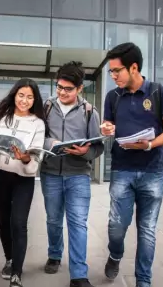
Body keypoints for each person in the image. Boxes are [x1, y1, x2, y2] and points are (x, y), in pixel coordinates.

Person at [100, 42, 163, 287]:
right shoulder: (112, 96)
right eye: (110, 72)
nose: (113, 76)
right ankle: (115, 254)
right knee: (116, 226)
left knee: (147, 229)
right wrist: (106, 129)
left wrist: (150, 144)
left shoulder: (159, 93)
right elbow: (107, 126)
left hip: (152, 172)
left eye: (117, 71)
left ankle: (143, 280)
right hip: (122, 169)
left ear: (134, 67)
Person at [40, 61, 104, 287]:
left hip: (79, 175)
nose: (62, 92)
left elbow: (99, 146)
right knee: (54, 220)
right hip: (51, 173)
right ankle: (55, 254)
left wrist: (86, 151)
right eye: (59, 87)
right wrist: (52, 142)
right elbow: (37, 136)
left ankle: (78, 275)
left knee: (78, 223)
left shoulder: (89, 112)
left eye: (68, 89)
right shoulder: (46, 107)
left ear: (79, 89)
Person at [0, 78, 47, 287]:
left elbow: (36, 153)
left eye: (30, 97)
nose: (24, 100)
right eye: (21, 95)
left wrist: (25, 157)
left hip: (23, 179)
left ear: (34, 100)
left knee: (18, 223)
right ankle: (9, 259)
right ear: (14, 95)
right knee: (4, 220)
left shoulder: (38, 123)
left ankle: (17, 273)